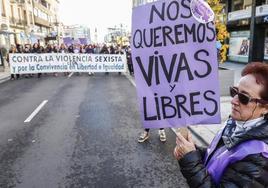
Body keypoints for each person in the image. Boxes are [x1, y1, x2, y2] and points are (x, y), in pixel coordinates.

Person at [173, 62, 268, 187]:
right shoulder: (236, 123)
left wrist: (191, 161)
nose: (233, 101)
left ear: (265, 108)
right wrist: (192, 151)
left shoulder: (259, 158)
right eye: (234, 91)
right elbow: (219, 156)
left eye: (244, 98)